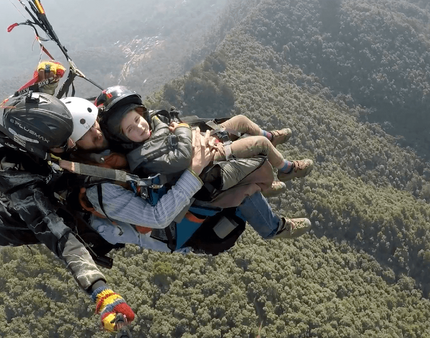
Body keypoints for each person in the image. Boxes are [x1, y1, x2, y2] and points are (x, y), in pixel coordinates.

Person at [60, 97, 312, 254]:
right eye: (91, 134)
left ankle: (269, 152)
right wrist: (195, 163)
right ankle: (274, 227)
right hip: (179, 205)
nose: (98, 132)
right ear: (74, 145)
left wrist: (190, 135)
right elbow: (157, 216)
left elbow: (151, 137)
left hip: (187, 165)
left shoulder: (111, 142)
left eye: (95, 125)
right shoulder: (100, 188)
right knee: (246, 189)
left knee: (240, 127)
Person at [0, 92, 134, 332]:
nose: (70, 144)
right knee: (83, 221)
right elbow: (61, 237)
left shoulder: (27, 135)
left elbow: (34, 111)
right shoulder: (27, 192)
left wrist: (46, 82)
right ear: (38, 147)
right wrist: (99, 290)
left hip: (28, 183)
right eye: (62, 144)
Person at [95, 86, 314, 192]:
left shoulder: (153, 125)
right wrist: (181, 129)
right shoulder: (141, 157)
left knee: (241, 121)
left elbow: (163, 128)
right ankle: (286, 169)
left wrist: (169, 126)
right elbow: (183, 158)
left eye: (138, 119)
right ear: (124, 139)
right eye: (131, 129)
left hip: (204, 139)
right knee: (260, 145)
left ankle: (270, 137)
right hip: (209, 155)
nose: (140, 127)